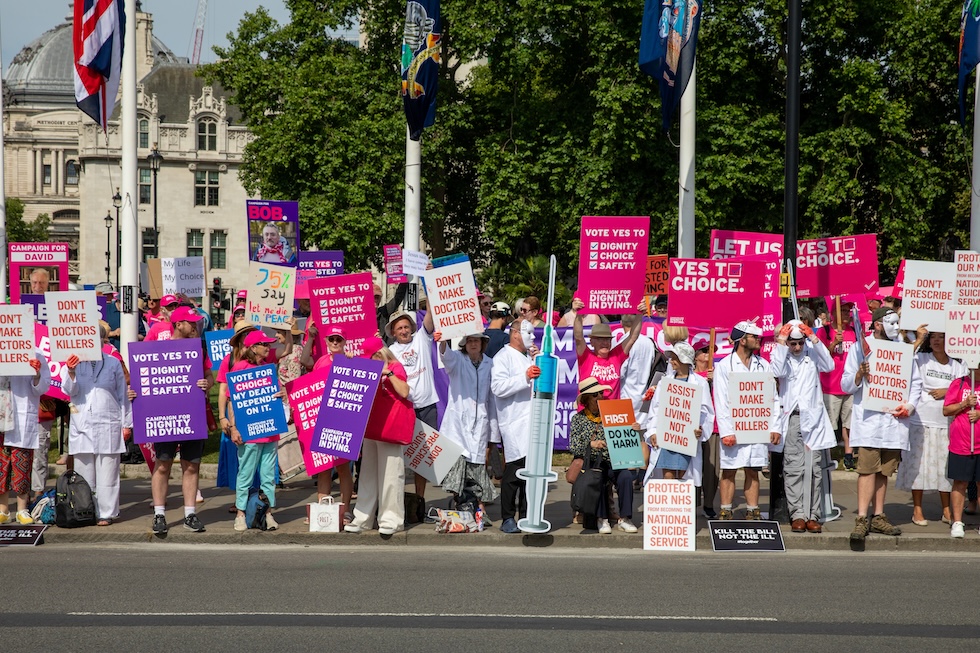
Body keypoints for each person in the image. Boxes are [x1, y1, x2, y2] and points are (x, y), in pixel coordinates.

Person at [843, 306, 922, 546]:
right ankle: (861, 517)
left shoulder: (903, 350)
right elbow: (846, 385)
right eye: (892, 322)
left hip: (894, 421)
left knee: (883, 471)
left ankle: (878, 515)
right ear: (877, 324)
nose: (897, 328)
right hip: (868, 421)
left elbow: (915, 383)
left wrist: (908, 406)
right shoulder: (861, 348)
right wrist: (858, 375)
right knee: (867, 468)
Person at [145, 307, 214, 534]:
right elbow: (143, 377)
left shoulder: (199, 349)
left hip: (192, 414)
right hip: (165, 415)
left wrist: (207, 383)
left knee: (191, 465)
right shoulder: (157, 349)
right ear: (178, 325)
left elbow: (209, 375)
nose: (196, 326)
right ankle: (159, 514)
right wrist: (134, 392)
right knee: (163, 465)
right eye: (191, 323)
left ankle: (190, 514)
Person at [345, 337, 414, 537]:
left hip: (390, 428)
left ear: (379, 354)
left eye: (372, 357)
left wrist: (388, 373)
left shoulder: (395, 366)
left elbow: (404, 392)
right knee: (367, 474)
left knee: (391, 474)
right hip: (370, 427)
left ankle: (391, 519)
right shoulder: (366, 366)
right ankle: (363, 518)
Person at [771, 320, 836, 533]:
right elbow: (775, 370)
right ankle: (797, 514)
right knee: (793, 468)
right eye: (792, 343)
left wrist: (815, 339)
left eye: (800, 343)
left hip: (814, 418)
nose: (797, 348)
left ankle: (813, 514)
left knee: (814, 469)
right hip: (792, 418)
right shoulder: (783, 356)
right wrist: (781, 342)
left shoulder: (812, 355)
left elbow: (829, 365)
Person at [713, 320, 782, 520]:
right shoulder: (725, 366)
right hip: (734, 427)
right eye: (754, 337)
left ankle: (753, 510)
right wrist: (726, 431)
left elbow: (773, 398)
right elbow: (721, 399)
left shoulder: (764, 365)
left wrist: (775, 427)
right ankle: (726, 509)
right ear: (742, 340)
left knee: (753, 469)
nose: (758, 340)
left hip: (756, 427)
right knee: (729, 469)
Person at [897, 330, 965, 526]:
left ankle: (946, 509)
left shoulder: (958, 365)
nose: (936, 340)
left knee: (944, 467)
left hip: (946, 423)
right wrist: (917, 338)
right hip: (921, 421)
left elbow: (963, 386)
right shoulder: (921, 358)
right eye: (933, 336)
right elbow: (902, 360)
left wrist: (947, 390)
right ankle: (917, 509)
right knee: (919, 467)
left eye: (941, 336)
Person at [61, 343, 132, 527]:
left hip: (109, 422)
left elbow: (122, 395)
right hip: (82, 424)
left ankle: (106, 512)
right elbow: (68, 391)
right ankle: (85, 509)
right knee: (84, 472)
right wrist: (71, 372)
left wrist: (127, 424)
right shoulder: (72, 362)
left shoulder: (113, 362)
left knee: (108, 470)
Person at [436, 330, 499, 520]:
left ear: (482, 344)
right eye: (470, 341)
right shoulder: (458, 360)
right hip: (458, 425)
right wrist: (443, 341)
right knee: (459, 467)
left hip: (480, 422)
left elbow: (492, 398)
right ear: (464, 343)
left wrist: (493, 435)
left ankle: (480, 509)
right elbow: (446, 357)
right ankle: (461, 505)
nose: (473, 344)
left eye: (476, 341)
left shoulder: (490, 363)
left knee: (478, 467)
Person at [229, 330, 286, 532]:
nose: (268, 347)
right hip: (249, 432)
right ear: (253, 347)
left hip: (269, 431)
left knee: (268, 476)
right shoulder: (239, 368)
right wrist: (233, 427)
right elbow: (231, 401)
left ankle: (267, 512)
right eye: (264, 344)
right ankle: (241, 514)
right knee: (245, 474)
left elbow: (277, 396)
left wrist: (280, 395)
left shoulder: (267, 369)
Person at [299, 324, 354, 518]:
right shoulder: (321, 361)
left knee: (343, 467)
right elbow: (312, 387)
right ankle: (323, 511)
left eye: (339, 339)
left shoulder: (351, 360)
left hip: (343, 421)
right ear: (326, 341)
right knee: (323, 468)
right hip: (321, 419)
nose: (335, 342)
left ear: (345, 342)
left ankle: (346, 509)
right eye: (332, 339)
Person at [569, 377, 637, 533]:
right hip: (593, 462)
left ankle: (625, 518)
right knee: (597, 477)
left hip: (614, 460)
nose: (600, 396)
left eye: (601, 392)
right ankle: (602, 518)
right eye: (595, 394)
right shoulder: (578, 419)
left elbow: (626, 438)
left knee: (626, 477)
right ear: (586, 398)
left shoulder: (613, 414)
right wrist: (590, 444)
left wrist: (633, 429)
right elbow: (573, 446)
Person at [491, 318, 540, 533]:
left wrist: (538, 361)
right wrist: (524, 377)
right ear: (516, 334)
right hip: (514, 422)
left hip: (532, 422)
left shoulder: (528, 357)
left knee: (531, 473)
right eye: (529, 333)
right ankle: (507, 517)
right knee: (514, 473)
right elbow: (498, 387)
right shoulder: (503, 357)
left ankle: (528, 515)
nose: (533, 337)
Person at [385, 310, 436, 517]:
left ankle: (420, 501)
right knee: (399, 457)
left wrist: (431, 286)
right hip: (403, 408)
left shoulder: (422, 339)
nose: (404, 331)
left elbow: (430, 319)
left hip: (427, 406)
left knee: (422, 459)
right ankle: (397, 502)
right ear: (394, 333)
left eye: (406, 327)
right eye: (399, 328)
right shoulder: (390, 350)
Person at [642, 342, 714, 484]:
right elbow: (655, 410)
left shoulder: (700, 383)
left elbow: (706, 412)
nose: (671, 361)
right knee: (667, 476)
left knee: (683, 478)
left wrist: (700, 428)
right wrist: (652, 432)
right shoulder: (664, 383)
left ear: (684, 360)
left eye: (675, 358)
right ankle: (667, 506)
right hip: (667, 437)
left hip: (687, 438)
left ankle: (681, 507)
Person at [0, 353, 51, 524]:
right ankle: (3, 509)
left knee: (22, 463)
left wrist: (36, 374)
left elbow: (43, 387)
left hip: (22, 416)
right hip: (2, 414)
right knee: (2, 465)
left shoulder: (36, 355)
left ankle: (22, 509)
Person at [572, 298, 643, 400]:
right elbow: (578, 337)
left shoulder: (616, 356)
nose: (605, 343)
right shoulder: (586, 356)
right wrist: (579, 315)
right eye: (600, 339)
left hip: (611, 412)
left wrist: (639, 314)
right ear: (592, 342)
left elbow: (632, 337)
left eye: (607, 339)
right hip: (589, 411)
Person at [816, 300, 858, 470]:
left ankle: (849, 455)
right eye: (843, 310)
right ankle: (827, 455)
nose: (847, 313)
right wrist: (833, 344)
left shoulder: (854, 331)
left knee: (849, 424)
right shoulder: (824, 331)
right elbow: (819, 356)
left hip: (849, 385)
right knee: (830, 424)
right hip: (830, 386)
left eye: (848, 310)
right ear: (834, 313)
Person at [943, 366, 980, 538]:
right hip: (961, 443)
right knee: (960, 483)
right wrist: (964, 404)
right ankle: (957, 522)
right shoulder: (958, 384)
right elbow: (946, 410)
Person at [693, 344, 720, 518]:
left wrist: (716, 379)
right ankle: (693, 501)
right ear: (695, 356)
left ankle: (709, 503)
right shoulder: (691, 376)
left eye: (710, 351)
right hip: (693, 426)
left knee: (712, 467)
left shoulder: (719, 374)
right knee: (693, 467)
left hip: (714, 426)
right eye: (704, 351)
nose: (708, 354)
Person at [619, 313, 656, 417]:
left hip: (626, 396)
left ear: (621, 324)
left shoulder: (622, 343)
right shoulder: (649, 342)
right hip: (645, 396)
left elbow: (620, 373)